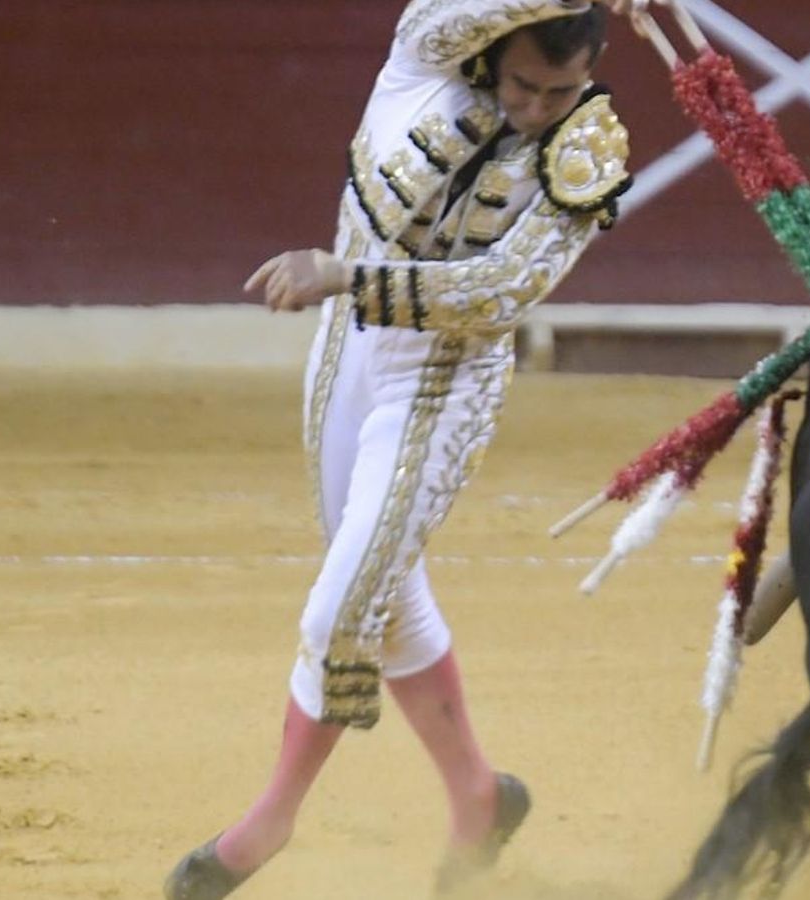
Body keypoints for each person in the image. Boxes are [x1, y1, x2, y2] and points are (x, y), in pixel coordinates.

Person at [164, 1, 648, 897]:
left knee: (344, 605)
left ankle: (266, 824)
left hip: (441, 379)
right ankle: (478, 797)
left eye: (560, 91)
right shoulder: (427, 49)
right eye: (523, 85)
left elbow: (500, 290)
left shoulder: (587, 152)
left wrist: (346, 275)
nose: (537, 109)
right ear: (490, 55)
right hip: (348, 352)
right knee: (381, 593)